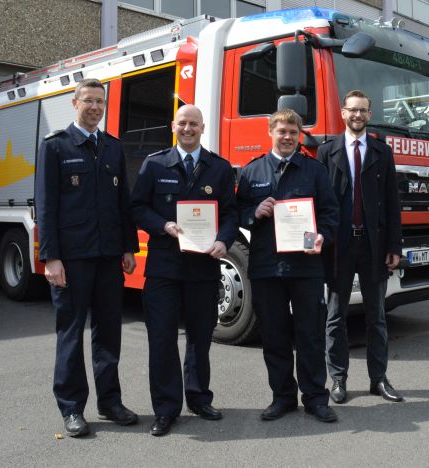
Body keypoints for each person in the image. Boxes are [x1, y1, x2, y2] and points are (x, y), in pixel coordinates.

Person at [36, 78, 139, 438]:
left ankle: (110, 402)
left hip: (109, 257)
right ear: (74, 103)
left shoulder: (112, 147)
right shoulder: (56, 147)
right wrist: (50, 257)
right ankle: (72, 408)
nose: (95, 107)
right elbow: (46, 206)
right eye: (89, 101)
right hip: (72, 259)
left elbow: (122, 203)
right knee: (70, 333)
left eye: (100, 101)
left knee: (109, 333)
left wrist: (129, 247)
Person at [130, 104, 238, 437]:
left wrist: (223, 240)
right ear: (172, 126)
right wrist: (162, 224)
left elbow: (231, 213)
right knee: (162, 339)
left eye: (194, 124)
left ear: (203, 128)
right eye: (182, 123)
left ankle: (199, 397)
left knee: (200, 338)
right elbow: (137, 207)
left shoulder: (218, 168)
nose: (188, 129)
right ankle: (165, 409)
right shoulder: (155, 164)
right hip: (163, 267)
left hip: (204, 267)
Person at [236, 109, 339, 423]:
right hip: (267, 268)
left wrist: (323, 235)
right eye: (281, 131)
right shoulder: (251, 172)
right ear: (270, 132)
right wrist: (255, 211)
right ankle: (282, 397)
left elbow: (331, 213)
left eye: (293, 132)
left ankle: (315, 398)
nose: (287, 137)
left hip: (306, 267)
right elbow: (236, 213)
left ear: (299, 135)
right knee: (274, 336)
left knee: (309, 335)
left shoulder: (315, 171)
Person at [318, 89, 404, 404]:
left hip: (374, 245)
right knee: (336, 315)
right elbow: (321, 202)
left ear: (369, 115)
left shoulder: (382, 152)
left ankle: (378, 379)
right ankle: (338, 380)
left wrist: (394, 244)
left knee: (376, 316)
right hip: (339, 245)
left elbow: (393, 203)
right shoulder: (327, 152)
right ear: (343, 113)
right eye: (352, 110)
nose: (357, 115)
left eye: (363, 111)